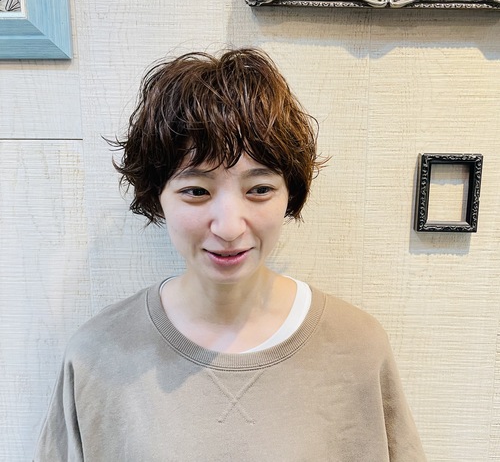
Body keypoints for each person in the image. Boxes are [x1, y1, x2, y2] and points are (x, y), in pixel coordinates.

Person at [34, 48, 425, 461]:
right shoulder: (96, 356)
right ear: (157, 196)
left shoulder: (358, 347)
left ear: (290, 193)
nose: (229, 227)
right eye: (196, 191)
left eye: (259, 190)